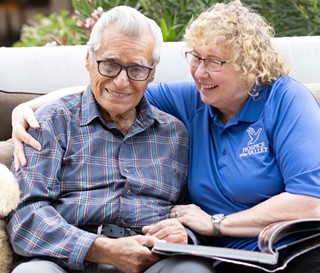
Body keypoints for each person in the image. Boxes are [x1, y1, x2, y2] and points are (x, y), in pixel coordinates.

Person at [10, 1, 320, 272]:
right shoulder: (191, 101)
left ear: (249, 64)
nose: (199, 72)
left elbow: (310, 202)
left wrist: (200, 230)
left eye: (213, 61)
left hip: (284, 252)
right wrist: (26, 106)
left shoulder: (279, 101)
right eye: (195, 58)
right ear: (88, 60)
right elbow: (111, 90)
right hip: (69, 257)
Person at [7, 5, 217, 273]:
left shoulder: (176, 135)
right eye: (109, 64)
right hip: (65, 261)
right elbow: (26, 214)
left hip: (153, 261)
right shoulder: (49, 122)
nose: (121, 82)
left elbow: (191, 211)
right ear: (88, 59)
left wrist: (185, 236)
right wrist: (100, 248)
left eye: (137, 69)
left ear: (152, 73)